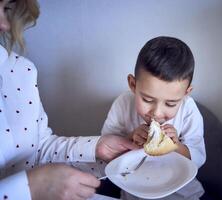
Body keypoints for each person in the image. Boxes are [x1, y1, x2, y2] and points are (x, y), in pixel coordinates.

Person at [0, 1, 137, 200]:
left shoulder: (22, 70)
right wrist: (28, 188)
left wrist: (95, 148)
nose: (4, 25)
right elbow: (33, 184)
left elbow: (39, 149)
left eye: (5, 9)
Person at [101, 36, 206, 199]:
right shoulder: (122, 104)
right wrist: (130, 139)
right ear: (133, 85)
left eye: (171, 104)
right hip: (133, 192)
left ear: (186, 93)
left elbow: (198, 156)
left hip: (182, 194)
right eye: (148, 100)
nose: (156, 113)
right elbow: (105, 149)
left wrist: (176, 146)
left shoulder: (189, 110)